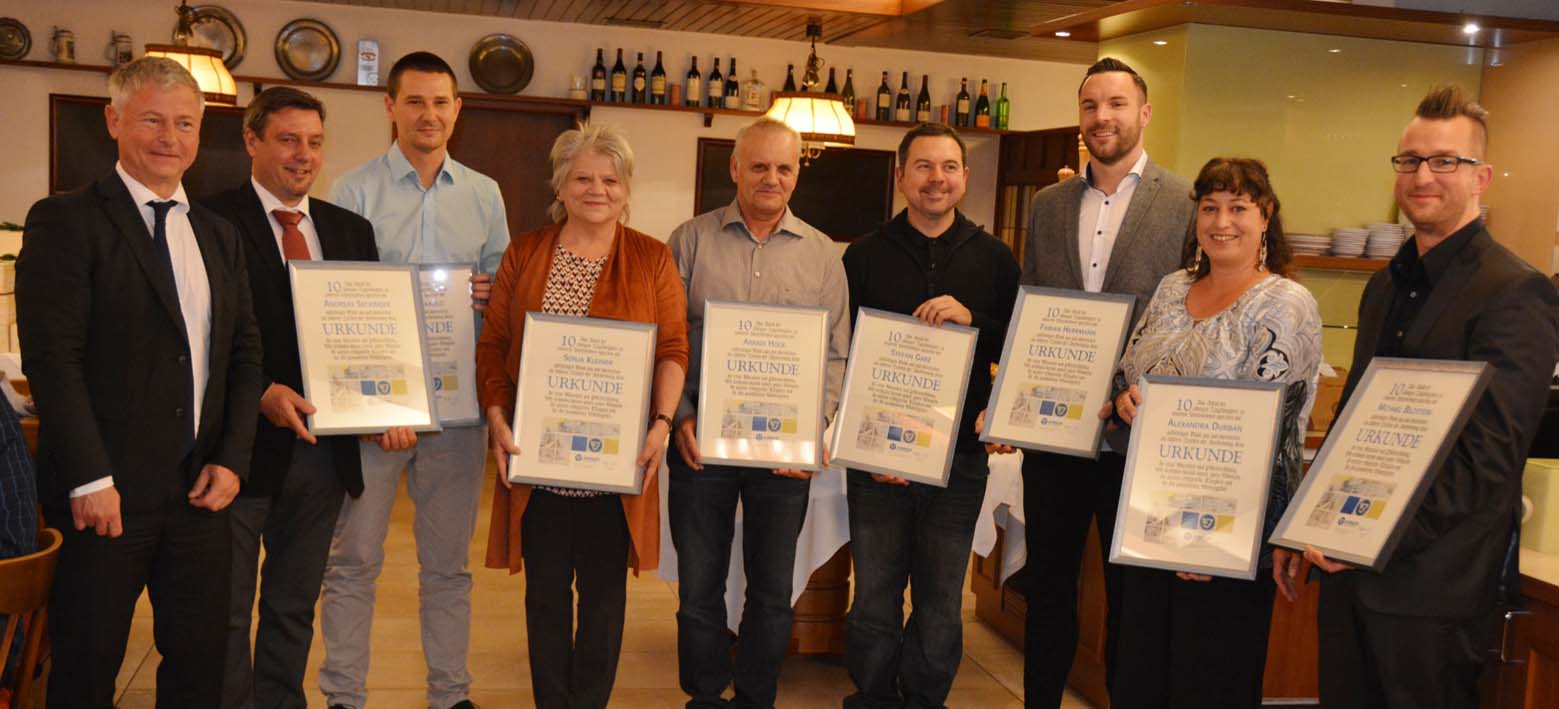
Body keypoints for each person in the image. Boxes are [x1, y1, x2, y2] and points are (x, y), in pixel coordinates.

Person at [1285, 85, 1559, 709]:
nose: (1422, 176)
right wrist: (1308, 525)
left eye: (1444, 161)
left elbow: (1486, 459)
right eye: (1409, 161)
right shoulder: (1384, 286)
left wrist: (1367, 538)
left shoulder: (1514, 292)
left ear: (1481, 177)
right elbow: (1353, 421)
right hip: (1349, 578)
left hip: (1433, 593)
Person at [15, 56, 263, 707]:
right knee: (86, 669)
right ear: (114, 120)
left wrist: (232, 461)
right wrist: (89, 478)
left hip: (201, 495)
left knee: (199, 670)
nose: (169, 137)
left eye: (184, 123)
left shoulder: (219, 235)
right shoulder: (66, 220)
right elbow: (53, 360)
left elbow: (245, 356)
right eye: (152, 119)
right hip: (103, 499)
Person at [202, 86, 408, 709]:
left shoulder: (350, 230)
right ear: (252, 140)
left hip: (322, 454)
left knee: (293, 605)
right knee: (225, 611)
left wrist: (385, 406)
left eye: (315, 142)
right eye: (288, 140)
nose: (303, 155)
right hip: (237, 451)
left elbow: (370, 335)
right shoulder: (208, 220)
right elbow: (200, 336)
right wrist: (262, 392)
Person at [318, 52, 510, 709]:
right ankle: (344, 696)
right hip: (374, 410)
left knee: (447, 567)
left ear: (458, 109)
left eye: (441, 102)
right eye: (415, 101)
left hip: (457, 413)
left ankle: (450, 695)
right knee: (353, 560)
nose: (429, 114)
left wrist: (491, 290)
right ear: (390, 107)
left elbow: (504, 294)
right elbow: (338, 303)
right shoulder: (352, 190)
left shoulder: (484, 194)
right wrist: (375, 408)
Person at [478, 123, 688, 709]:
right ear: (560, 186)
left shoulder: (652, 257)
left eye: (610, 180)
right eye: (583, 179)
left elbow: (673, 348)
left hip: (615, 466)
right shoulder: (526, 252)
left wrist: (661, 424)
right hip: (540, 462)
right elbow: (494, 345)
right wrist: (496, 417)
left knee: (603, 602)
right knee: (544, 598)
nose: (597, 190)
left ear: (626, 189)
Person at [1105, 157, 1322, 708]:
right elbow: (1127, 372)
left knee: (1206, 682)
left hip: (1227, 536)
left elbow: (1277, 435)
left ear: (1265, 216)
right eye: (1209, 208)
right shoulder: (1171, 287)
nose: (1222, 222)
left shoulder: (1285, 303)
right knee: (1137, 677)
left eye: (1238, 208)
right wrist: (1124, 398)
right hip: (1149, 524)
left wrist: (1211, 545)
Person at [1017, 56, 1195, 707]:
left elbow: (1191, 318)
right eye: (1090, 105)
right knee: (1047, 590)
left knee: (1131, 600)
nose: (1102, 117)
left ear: (1144, 113)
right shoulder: (1047, 205)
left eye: (1117, 104)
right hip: (1055, 434)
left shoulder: (1185, 202)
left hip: (1136, 435)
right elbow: (1032, 305)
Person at [665, 116, 850, 709]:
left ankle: (755, 698)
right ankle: (703, 695)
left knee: (771, 592)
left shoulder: (823, 254)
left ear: (797, 174)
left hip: (783, 454)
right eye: (760, 166)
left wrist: (813, 432)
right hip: (700, 443)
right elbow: (667, 339)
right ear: (735, 169)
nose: (772, 178)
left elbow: (837, 354)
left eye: (784, 168)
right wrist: (681, 417)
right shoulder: (689, 240)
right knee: (699, 588)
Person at [840, 123, 1019, 709]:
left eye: (948, 167)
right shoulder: (863, 256)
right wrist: (866, 446)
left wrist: (974, 320)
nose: (936, 179)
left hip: (959, 461)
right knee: (874, 598)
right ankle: (872, 697)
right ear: (901, 177)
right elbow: (841, 353)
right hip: (877, 460)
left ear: (965, 177)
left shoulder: (996, 259)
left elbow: (1019, 349)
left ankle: (924, 700)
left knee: (941, 602)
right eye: (923, 166)